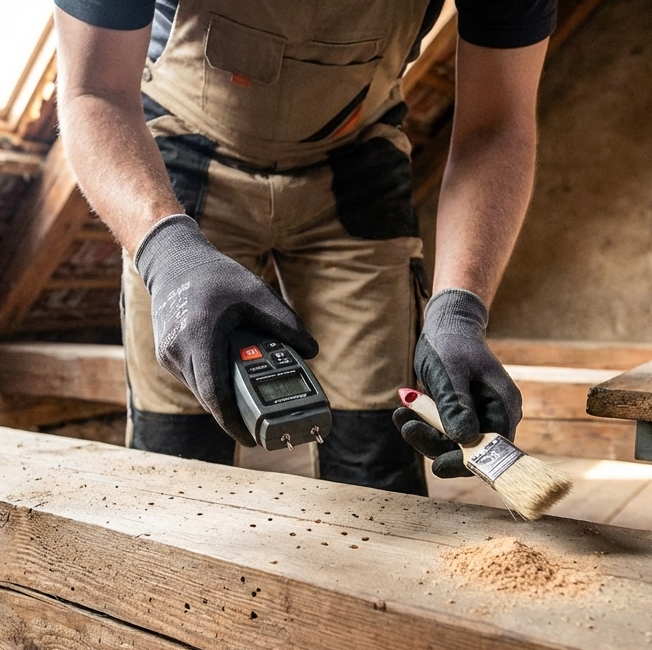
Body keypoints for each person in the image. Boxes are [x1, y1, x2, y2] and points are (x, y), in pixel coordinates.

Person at [54, 0, 555, 495]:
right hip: (179, 174)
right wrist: (170, 254)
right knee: (176, 463)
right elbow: (93, 91)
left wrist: (459, 310)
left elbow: (496, 123)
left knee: (377, 461)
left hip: (354, 167)